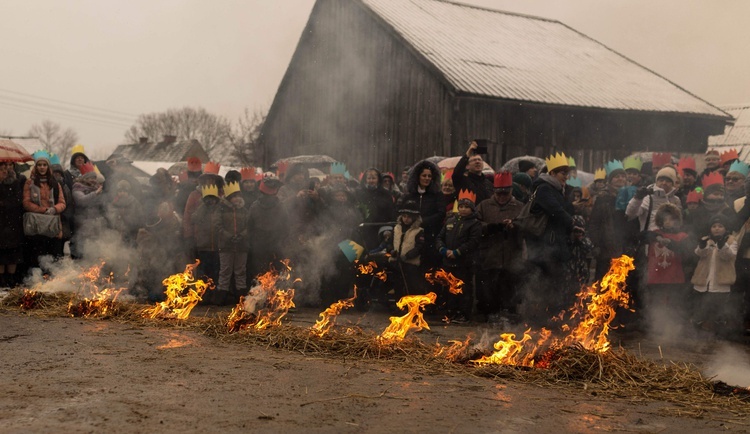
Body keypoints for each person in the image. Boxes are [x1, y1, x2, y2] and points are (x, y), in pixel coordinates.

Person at [524, 152, 579, 321]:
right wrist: (572, 223)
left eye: (567, 173)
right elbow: (556, 211)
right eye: (563, 173)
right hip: (545, 246)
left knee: (554, 282)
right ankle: (540, 319)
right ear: (552, 173)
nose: (566, 177)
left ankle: (551, 317)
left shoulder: (557, 189)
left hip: (554, 245)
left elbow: (566, 209)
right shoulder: (544, 188)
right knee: (545, 283)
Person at [475, 172, 524, 321]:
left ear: (511, 191)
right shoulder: (484, 206)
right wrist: (492, 227)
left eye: (505, 193)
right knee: (490, 286)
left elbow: (527, 226)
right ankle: (490, 313)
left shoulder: (520, 207)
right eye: (499, 193)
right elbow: (475, 225)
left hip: (511, 254)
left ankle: (509, 312)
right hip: (490, 253)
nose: (502, 196)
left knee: (509, 284)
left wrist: (515, 226)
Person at [642, 203, 692, 331]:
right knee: (656, 302)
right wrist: (658, 237)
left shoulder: (682, 236)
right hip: (656, 276)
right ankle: (656, 326)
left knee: (673, 303)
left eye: (671, 219)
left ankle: (673, 328)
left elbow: (685, 250)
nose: (668, 222)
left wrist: (670, 243)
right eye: (665, 219)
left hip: (674, 275)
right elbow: (642, 235)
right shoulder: (654, 234)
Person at [436, 190, 482, 323]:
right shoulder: (450, 221)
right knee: (450, 288)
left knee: (464, 289)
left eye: (466, 207)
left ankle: (463, 314)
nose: (463, 209)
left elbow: (473, 242)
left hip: (465, 262)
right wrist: (443, 249)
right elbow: (440, 237)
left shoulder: (474, 224)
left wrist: (457, 252)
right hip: (448, 261)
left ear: (472, 208)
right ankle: (451, 312)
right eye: (461, 206)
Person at [691, 214, 738, 335]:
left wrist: (722, 245)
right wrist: (702, 246)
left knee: (717, 311)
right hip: (703, 282)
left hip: (720, 283)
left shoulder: (732, 240)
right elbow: (699, 254)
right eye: (714, 226)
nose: (717, 228)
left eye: (720, 226)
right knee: (701, 310)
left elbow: (728, 256)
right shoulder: (706, 239)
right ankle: (697, 334)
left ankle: (716, 337)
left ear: (725, 228)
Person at [399, 160, 445, 274]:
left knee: (429, 270)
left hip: (431, 236)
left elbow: (441, 213)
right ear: (417, 176)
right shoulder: (409, 195)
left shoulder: (437, 195)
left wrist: (422, 221)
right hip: (412, 237)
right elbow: (400, 211)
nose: (427, 178)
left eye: (430, 176)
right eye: (424, 175)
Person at [23, 150, 66, 271]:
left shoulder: (55, 183)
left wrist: (54, 209)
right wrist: (44, 210)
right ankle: (36, 283)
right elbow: (26, 203)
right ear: (36, 167)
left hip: (53, 226)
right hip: (36, 226)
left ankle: (52, 284)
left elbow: (62, 203)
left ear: (48, 166)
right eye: (39, 165)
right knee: (37, 256)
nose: (42, 167)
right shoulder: (29, 183)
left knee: (53, 256)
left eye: (44, 165)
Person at [588, 160, 628, 280]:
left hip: (624, 246)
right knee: (603, 282)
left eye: (622, 176)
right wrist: (596, 244)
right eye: (616, 177)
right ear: (610, 181)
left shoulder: (630, 198)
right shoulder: (602, 198)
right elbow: (594, 223)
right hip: (605, 247)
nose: (620, 179)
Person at [215, 182, 251, 306]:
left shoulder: (245, 210)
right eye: (233, 196)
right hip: (226, 245)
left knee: (240, 271)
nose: (236, 198)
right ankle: (222, 296)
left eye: (237, 195)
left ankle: (240, 296)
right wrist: (229, 236)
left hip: (241, 245)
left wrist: (241, 236)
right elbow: (218, 226)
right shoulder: (221, 209)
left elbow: (249, 226)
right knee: (225, 270)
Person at [247, 173, 289, 278]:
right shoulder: (280, 207)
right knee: (274, 277)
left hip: (263, 247)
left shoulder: (255, 206)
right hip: (271, 247)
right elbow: (286, 228)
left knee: (261, 277)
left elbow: (249, 227)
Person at [388, 200, 425, 298]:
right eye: (404, 216)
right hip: (396, 262)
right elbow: (390, 242)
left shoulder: (418, 231)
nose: (406, 219)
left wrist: (408, 256)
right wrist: (391, 250)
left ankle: (412, 307)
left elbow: (419, 247)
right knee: (398, 285)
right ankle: (399, 305)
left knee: (411, 287)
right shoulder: (397, 228)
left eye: (409, 217)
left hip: (410, 264)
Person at [191, 182, 223, 290]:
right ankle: (202, 294)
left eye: (212, 198)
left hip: (217, 247)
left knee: (216, 271)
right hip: (204, 246)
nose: (210, 201)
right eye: (208, 199)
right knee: (203, 272)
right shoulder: (201, 209)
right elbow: (194, 218)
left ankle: (214, 292)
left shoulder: (220, 209)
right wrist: (202, 207)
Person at [71, 162, 106, 259]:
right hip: (82, 223)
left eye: (94, 178)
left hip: (94, 223)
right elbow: (81, 201)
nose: (93, 180)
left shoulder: (96, 188)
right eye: (91, 178)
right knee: (80, 249)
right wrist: (95, 193)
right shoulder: (78, 187)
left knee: (93, 250)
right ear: (85, 178)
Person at [356, 168, 396, 250]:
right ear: (365, 179)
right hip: (364, 230)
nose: (371, 181)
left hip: (381, 230)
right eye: (369, 178)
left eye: (374, 178)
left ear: (378, 179)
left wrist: (389, 228)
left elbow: (391, 212)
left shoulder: (385, 194)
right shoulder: (359, 193)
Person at [0, 160, 26, 288]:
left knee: (12, 251)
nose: (5, 171)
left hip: (12, 221)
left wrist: (4, 204)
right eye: (2, 169)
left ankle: (11, 277)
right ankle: (1, 277)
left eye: (7, 168)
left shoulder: (15, 182)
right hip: (1, 222)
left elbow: (17, 200)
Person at [451, 141, 494, 205]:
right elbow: (457, 173)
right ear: (467, 166)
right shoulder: (463, 181)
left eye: (479, 160)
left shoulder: (488, 183)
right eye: (474, 160)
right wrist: (468, 153)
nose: (477, 162)